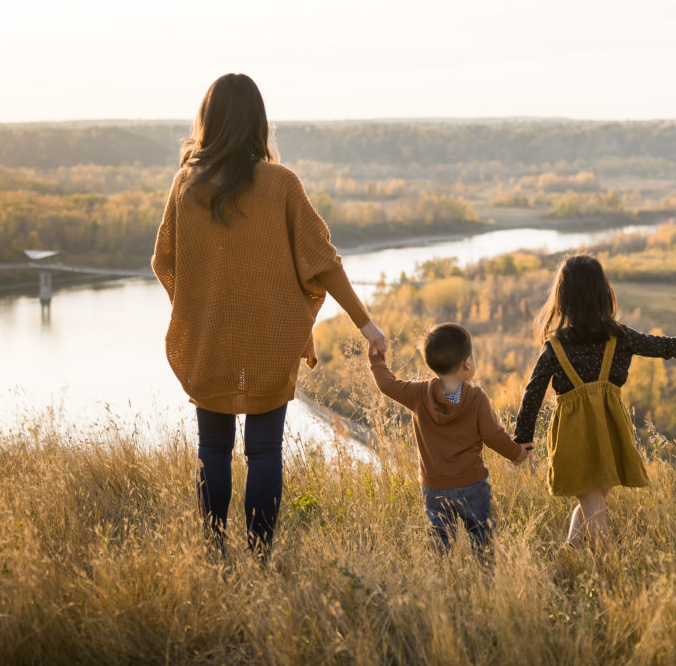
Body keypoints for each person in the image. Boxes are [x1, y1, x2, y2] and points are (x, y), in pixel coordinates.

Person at [151, 73, 386, 557]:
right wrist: (366, 324)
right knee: (264, 451)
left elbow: (165, 262)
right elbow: (324, 262)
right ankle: (259, 558)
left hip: (210, 341)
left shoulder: (186, 185)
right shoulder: (280, 184)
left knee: (212, 450)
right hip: (269, 344)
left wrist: (199, 311)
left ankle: (215, 553)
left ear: (208, 121)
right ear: (259, 122)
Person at [514, 255, 676, 546]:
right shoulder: (619, 338)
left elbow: (532, 394)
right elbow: (666, 347)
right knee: (594, 506)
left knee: (592, 503)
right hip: (605, 433)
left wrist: (523, 439)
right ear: (603, 294)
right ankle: (607, 570)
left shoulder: (558, 347)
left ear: (563, 299)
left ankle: (571, 556)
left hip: (576, 435)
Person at [368, 323, 528, 563]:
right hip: (472, 484)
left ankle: (445, 574)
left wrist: (377, 359)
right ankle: (485, 576)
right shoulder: (476, 398)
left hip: (434, 487)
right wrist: (516, 453)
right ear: (468, 364)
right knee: (481, 533)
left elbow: (387, 385)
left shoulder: (418, 393)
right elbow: (493, 435)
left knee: (441, 536)